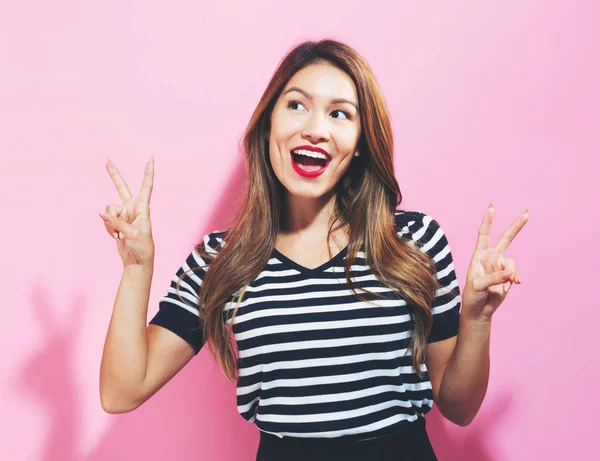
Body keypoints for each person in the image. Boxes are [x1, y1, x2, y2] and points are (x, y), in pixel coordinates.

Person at [99, 39, 528, 461]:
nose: (315, 129)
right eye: (297, 105)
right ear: (269, 124)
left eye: (340, 114)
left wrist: (478, 318)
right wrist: (138, 267)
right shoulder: (220, 260)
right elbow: (122, 391)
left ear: (360, 141)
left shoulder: (414, 241)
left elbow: (460, 407)